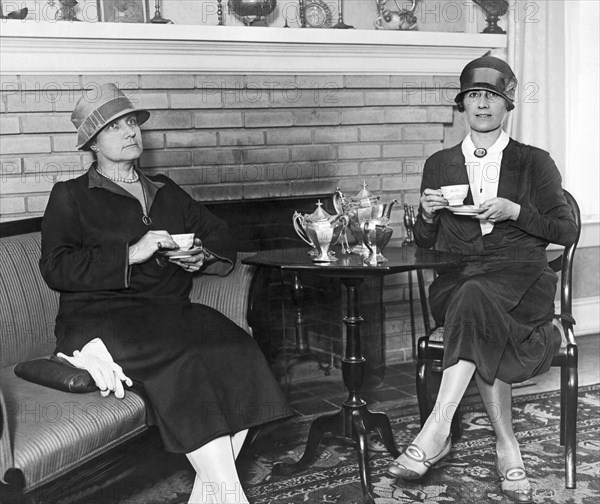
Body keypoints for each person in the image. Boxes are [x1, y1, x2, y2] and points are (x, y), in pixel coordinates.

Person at [40, 83, 291, 504]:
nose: (130, 131)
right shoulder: (71, 196)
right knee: (188, 359)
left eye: (132, 122)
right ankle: (231, 497)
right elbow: (55, 267)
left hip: (169, 311)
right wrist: (130, 254)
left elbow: (218, 232)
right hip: (100, 319)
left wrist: (202, 256)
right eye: (115, 126)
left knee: (238, 348)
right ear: (92, 144)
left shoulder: (165, 190)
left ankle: (209, 496)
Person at [385, 56, 578, 503]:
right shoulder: (439, 163)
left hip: (522, 277)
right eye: (474, 96)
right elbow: (425, 243)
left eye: (491, 96)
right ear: (463, 105)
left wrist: (516, 211)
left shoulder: (534, 162)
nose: (482, 104)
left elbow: (564, 231)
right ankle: (506, 446)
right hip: (459, 277)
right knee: (474, 297)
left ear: (507, 104)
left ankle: (438, 426)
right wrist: (428, 216)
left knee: (477, 304)